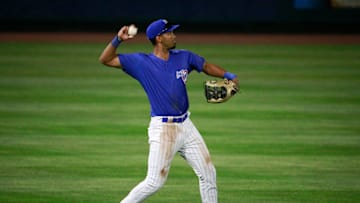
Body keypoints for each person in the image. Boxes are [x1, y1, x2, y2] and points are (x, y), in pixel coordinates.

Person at [99, 19, 239, 203]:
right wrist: (118, 39)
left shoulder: (184, 57)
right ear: (158, 38)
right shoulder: (141, 62)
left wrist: (229, 75)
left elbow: (205, 66)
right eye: (169, 33)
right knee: (154, 182)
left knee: (209, 172)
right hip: (163, 130)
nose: (174, 36)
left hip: (186, 126)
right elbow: (106, 59)